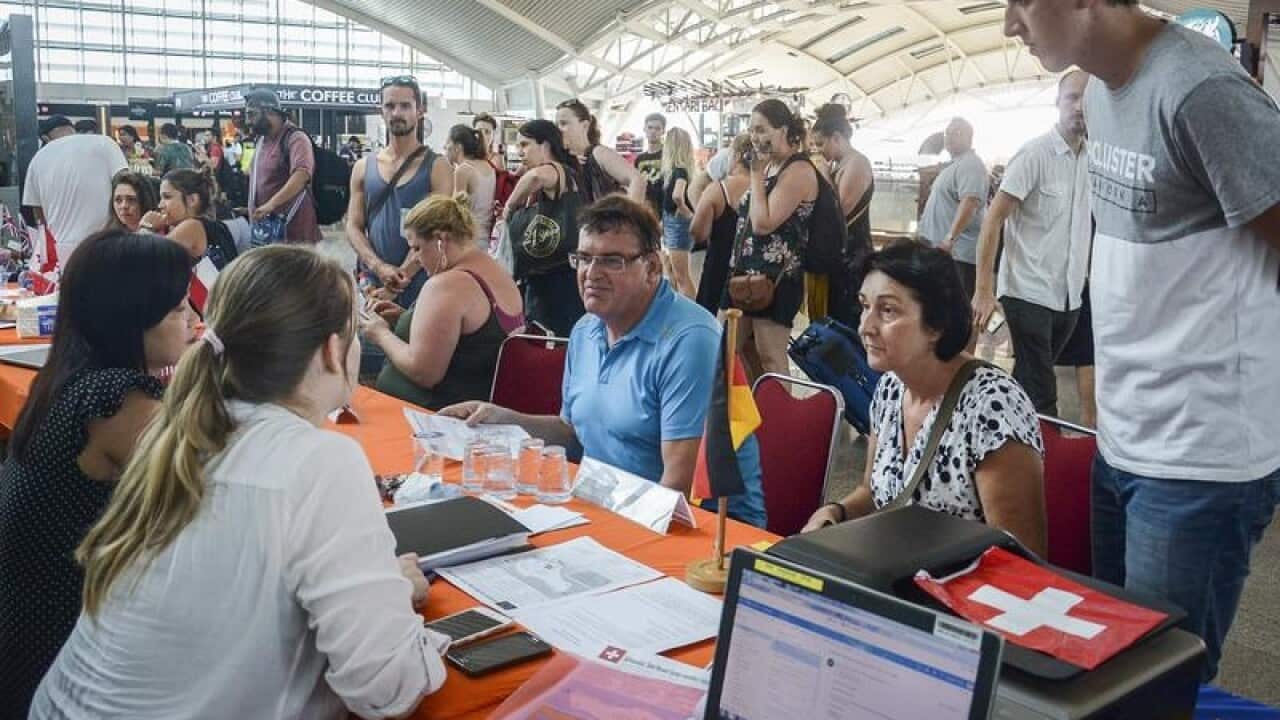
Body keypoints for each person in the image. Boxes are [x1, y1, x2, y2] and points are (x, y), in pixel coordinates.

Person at [29, 246, 450, 719]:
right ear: (333, 350)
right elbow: (386, 688)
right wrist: (389, 596)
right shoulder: (316, 461)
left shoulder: (179, 432)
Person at [1005, 0, 1280, 681]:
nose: (1010, 23)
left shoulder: (1201, 90)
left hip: (1198, 461)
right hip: (1124, 442)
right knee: (1112, 672)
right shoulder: (1099, 91)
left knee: (1158, 687)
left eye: (1021, 2)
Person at [442, 195, 766, 526]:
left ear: (652, 268)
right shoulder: (586, 330)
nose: (591, 273)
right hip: (613, 509)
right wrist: (503, 418)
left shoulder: (690, 340)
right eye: (584, 258)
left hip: (702, 532)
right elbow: (575, 431)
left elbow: (677, 488)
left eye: (612, 261)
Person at [0, 230, 194, 719]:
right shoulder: (117, 399)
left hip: (26, 618)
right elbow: (206, 497)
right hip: (58, 641)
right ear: (131, 319)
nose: (193, 320)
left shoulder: (73, 372)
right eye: (177, 311)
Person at [801, 241, 1046, 555]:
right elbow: (874, 494)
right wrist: (837, 512)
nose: (866, 326)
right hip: (896, 578)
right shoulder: (890, 389)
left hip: (958, 596)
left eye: (887, 311)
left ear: (936, 325)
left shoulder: (993, 408)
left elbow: (1021, 559)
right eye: (864, 306)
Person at [972, 70, 1092, 417]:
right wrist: (983, 288)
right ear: (1057, 102)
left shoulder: (1093, 158)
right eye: (1072, 97)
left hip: (1069, 295)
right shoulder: (1035, 155)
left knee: (1028, 380)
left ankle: (997, 437)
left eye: (1088, 98)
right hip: (1027, 292)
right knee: (1043, 394)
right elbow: (993, 220)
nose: (1080, 106)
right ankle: (1044, 463)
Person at [364, 193, 523, 410]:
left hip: (431, 414)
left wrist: (380, 334)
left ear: (441, 240)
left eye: (418, 248)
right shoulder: (495, 271)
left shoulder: (447, 285)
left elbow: (424, 372)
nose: (416, 258)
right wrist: (406, 318)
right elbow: (471, 340)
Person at [722, 99, 818, 380]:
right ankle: (744, 419)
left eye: (762, 129)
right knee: (730, 352)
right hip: (743, 273)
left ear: (783, 130)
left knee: (771, 359)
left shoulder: (798, 171)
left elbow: (763, 224)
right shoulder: (770, 168)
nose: (755, 137)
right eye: (751, 130)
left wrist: (753, 174)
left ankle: (776, 422)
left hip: (776, 279)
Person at [346, 76, 452, 311]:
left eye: (405, 106)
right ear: (380, 111)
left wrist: (397, 282)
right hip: (374, 283)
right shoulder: (363, 167)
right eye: (390, 106)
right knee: (371, 345)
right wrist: (379, 267)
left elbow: (439, 231)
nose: (397, 113)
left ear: (420, 110)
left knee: (415, 345)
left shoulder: (438, 167)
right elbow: (353, 226)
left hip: (422, 286)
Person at [501, 119, 586, 336]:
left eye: (525, 145)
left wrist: (510, 206)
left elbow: (537, 176)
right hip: (548, 280)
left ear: (545, 145)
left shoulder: (555, 169)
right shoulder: (563, 176)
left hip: (556, 282)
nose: (520, 152)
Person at [23, 115, 127, 262]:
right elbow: (127, 184)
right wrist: (116, 225)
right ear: (71, 128)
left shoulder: (37, 159)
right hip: (107, 242)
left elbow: (38, 216)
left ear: (45, 138)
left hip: (63, 251)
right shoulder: (104, 142)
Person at [812, 103, 875, 327]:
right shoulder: (841, 164)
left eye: (821, 144)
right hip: (839, 255)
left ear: (836, 137)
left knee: (847, 322)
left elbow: (840, 210)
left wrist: (825, 176)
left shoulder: (856, 163)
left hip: (853, 258)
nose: (819, 151)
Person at [918, 117, 988, 298]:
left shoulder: (971, 164)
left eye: (957, 133)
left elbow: (969, 203)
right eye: (947, 133)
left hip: (958, 256)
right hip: (943, 252)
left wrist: (950, 238)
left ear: (969, 138)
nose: (949, 137)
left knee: (956, 310)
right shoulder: (955, 165)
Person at [244, 89, 321, 244]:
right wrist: (253, 208)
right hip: (268, 229)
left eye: (252, 114)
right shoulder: (261, 141)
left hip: (294, 231)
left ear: (270, 112)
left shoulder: (296, 138)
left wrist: (271, 205)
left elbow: (301, 175)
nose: (248, 121)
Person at [692, 134, 751, 316]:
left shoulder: (718, 190)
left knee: (709, 322)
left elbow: (698, 232)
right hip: (751, 271)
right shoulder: (767, 188)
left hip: (718, 268)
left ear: (737, 155)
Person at [139, 169, 239, 269]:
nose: (160, 205)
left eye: (167, 197)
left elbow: (140, 256)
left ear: (192, 200)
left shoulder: (192, 226)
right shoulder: (207, 224)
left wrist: (145, 227)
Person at [555, 99, 645, 205]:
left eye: (564, 123)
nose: (559, 129)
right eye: (557, 125)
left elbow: (637, 179)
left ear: (584, 125)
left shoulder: (598, 153)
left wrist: (630, 217)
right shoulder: (562, 159)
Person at [660, 127, 697, 299]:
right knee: (675, 274)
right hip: (672, 224)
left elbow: (677, 196)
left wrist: (687, 214)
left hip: (677, 224)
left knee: (682, 277)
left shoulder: (679, 171)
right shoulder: (678, 171)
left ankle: (690, 315)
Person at [447, 124, 497, 249]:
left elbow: (457, 212)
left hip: (468, 240)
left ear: (458, 147)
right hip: (486, 239)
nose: (444, 147)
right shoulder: (488, 166)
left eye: (447, 142)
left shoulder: (463, 170)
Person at [634, 112, 666, 219]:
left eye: (657, 128)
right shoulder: (639, 159)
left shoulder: (668, 156)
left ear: (663, 131)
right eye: (650, 127)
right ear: (645, 129)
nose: (653, 131)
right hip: (644, 210)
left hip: (664, 211)